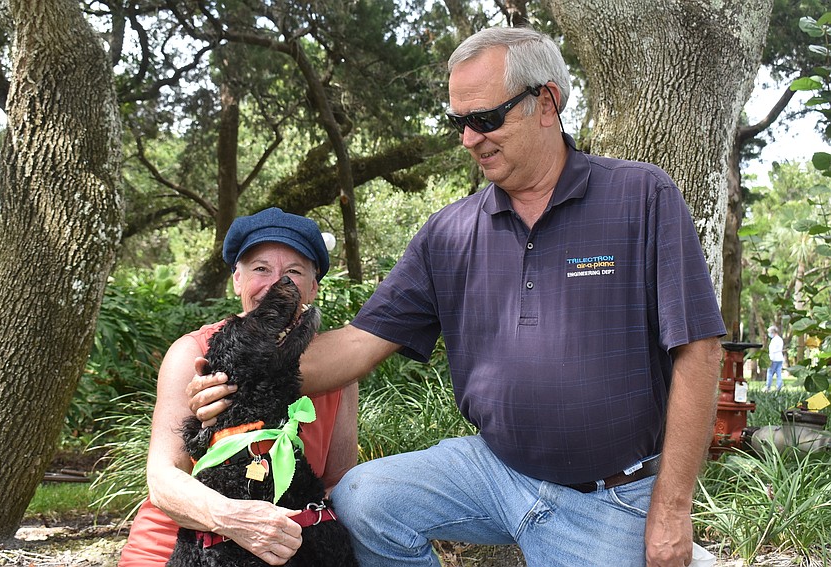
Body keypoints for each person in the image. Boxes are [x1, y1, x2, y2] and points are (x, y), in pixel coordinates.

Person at [190, 27, 725, 567]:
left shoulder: (640, 196)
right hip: (494, 472)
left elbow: (698, 350)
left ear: (546, 103)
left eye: (485, 119)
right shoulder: (451, 231)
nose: (469, 139)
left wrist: (672, 511)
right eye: (459, 122)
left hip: (611, 495)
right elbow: (357, 343)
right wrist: (237, 381)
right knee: (365, 500)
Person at [119, 207, 359, 566]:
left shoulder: (341, 369)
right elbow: (163, 478)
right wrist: (235, 520)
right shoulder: (196, 353)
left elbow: (336, 483)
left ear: (313, 286)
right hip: (176, 547)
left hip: (282, 549)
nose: (277, 284)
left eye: (293, 271)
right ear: (237, 280)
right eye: (261, 269)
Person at [764, 325, 785, 392]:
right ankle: (779, 387)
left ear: (773, 332)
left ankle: (768, 387)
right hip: (780, 358)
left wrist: (770, 360)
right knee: (779, 374)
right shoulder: (780, 339)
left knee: (770, 373)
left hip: (774, 358)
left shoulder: (774, 341)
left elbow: (772, 351)